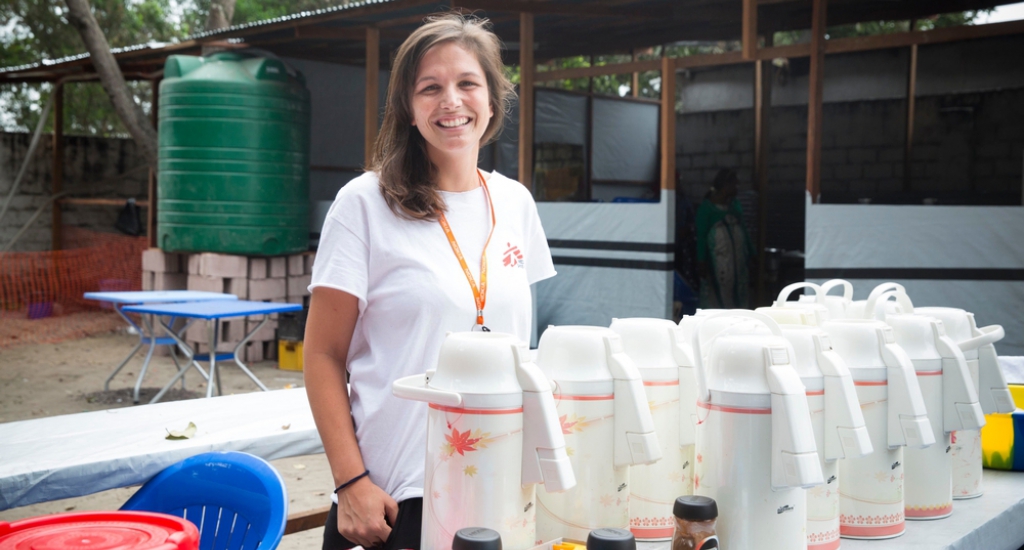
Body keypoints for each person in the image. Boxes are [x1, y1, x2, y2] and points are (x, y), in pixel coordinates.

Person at [303, 14, 556, 550]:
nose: (451, 101)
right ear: (408, 107)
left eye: (467, 83)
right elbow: (323, 355)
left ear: (492, 100)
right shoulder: (364, 204)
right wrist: (351, 484)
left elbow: (521, 352)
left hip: (499, 490)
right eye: (430, 87)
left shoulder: (516, 204)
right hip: (392, 502)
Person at [695, 168, 754, 309]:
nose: (737, 188)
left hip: (738, 263)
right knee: (718, 295)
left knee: (739, 293)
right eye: (735, 185)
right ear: (726, 186)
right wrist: (701, 261)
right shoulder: (706, 209)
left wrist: (752, 253)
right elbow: (701, 238)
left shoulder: (734, 205)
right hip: (719, 265)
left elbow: (744, 230)